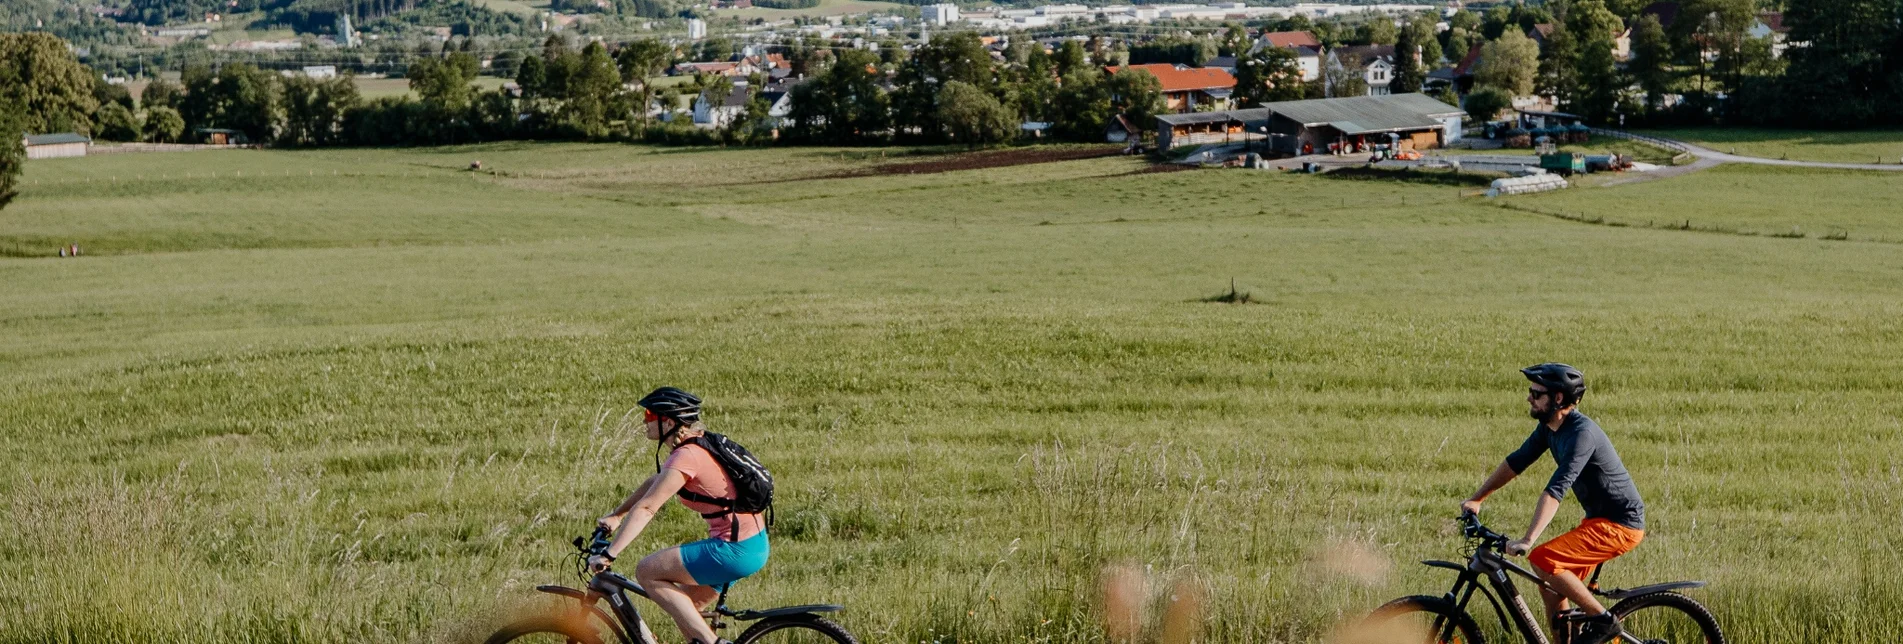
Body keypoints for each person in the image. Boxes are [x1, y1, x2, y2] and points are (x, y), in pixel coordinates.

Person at [1460, 364, 1645, 644]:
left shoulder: (1581, 434)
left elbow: (1557, 488)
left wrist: (1528, 539)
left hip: (1620, 525)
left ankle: (1604, 621)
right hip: (1597, 521)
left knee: (1542, 558)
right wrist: (1477, 498)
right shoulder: (1549, 428)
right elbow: (1516, 461)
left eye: (1536, 393)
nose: (1529, 398)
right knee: (1549, 586)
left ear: (1558, 398)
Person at [589, 387, 769, 644]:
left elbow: (648, 507)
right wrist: (617, 515)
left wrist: (609, 554)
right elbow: (658, 481)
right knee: (687, 615)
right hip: (752, 545)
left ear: (670, 422)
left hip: (734, 550)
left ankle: (713, 643)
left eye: (650, 415)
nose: (645, 420)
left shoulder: (688, 455)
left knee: (647, 571)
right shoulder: (698, 445)